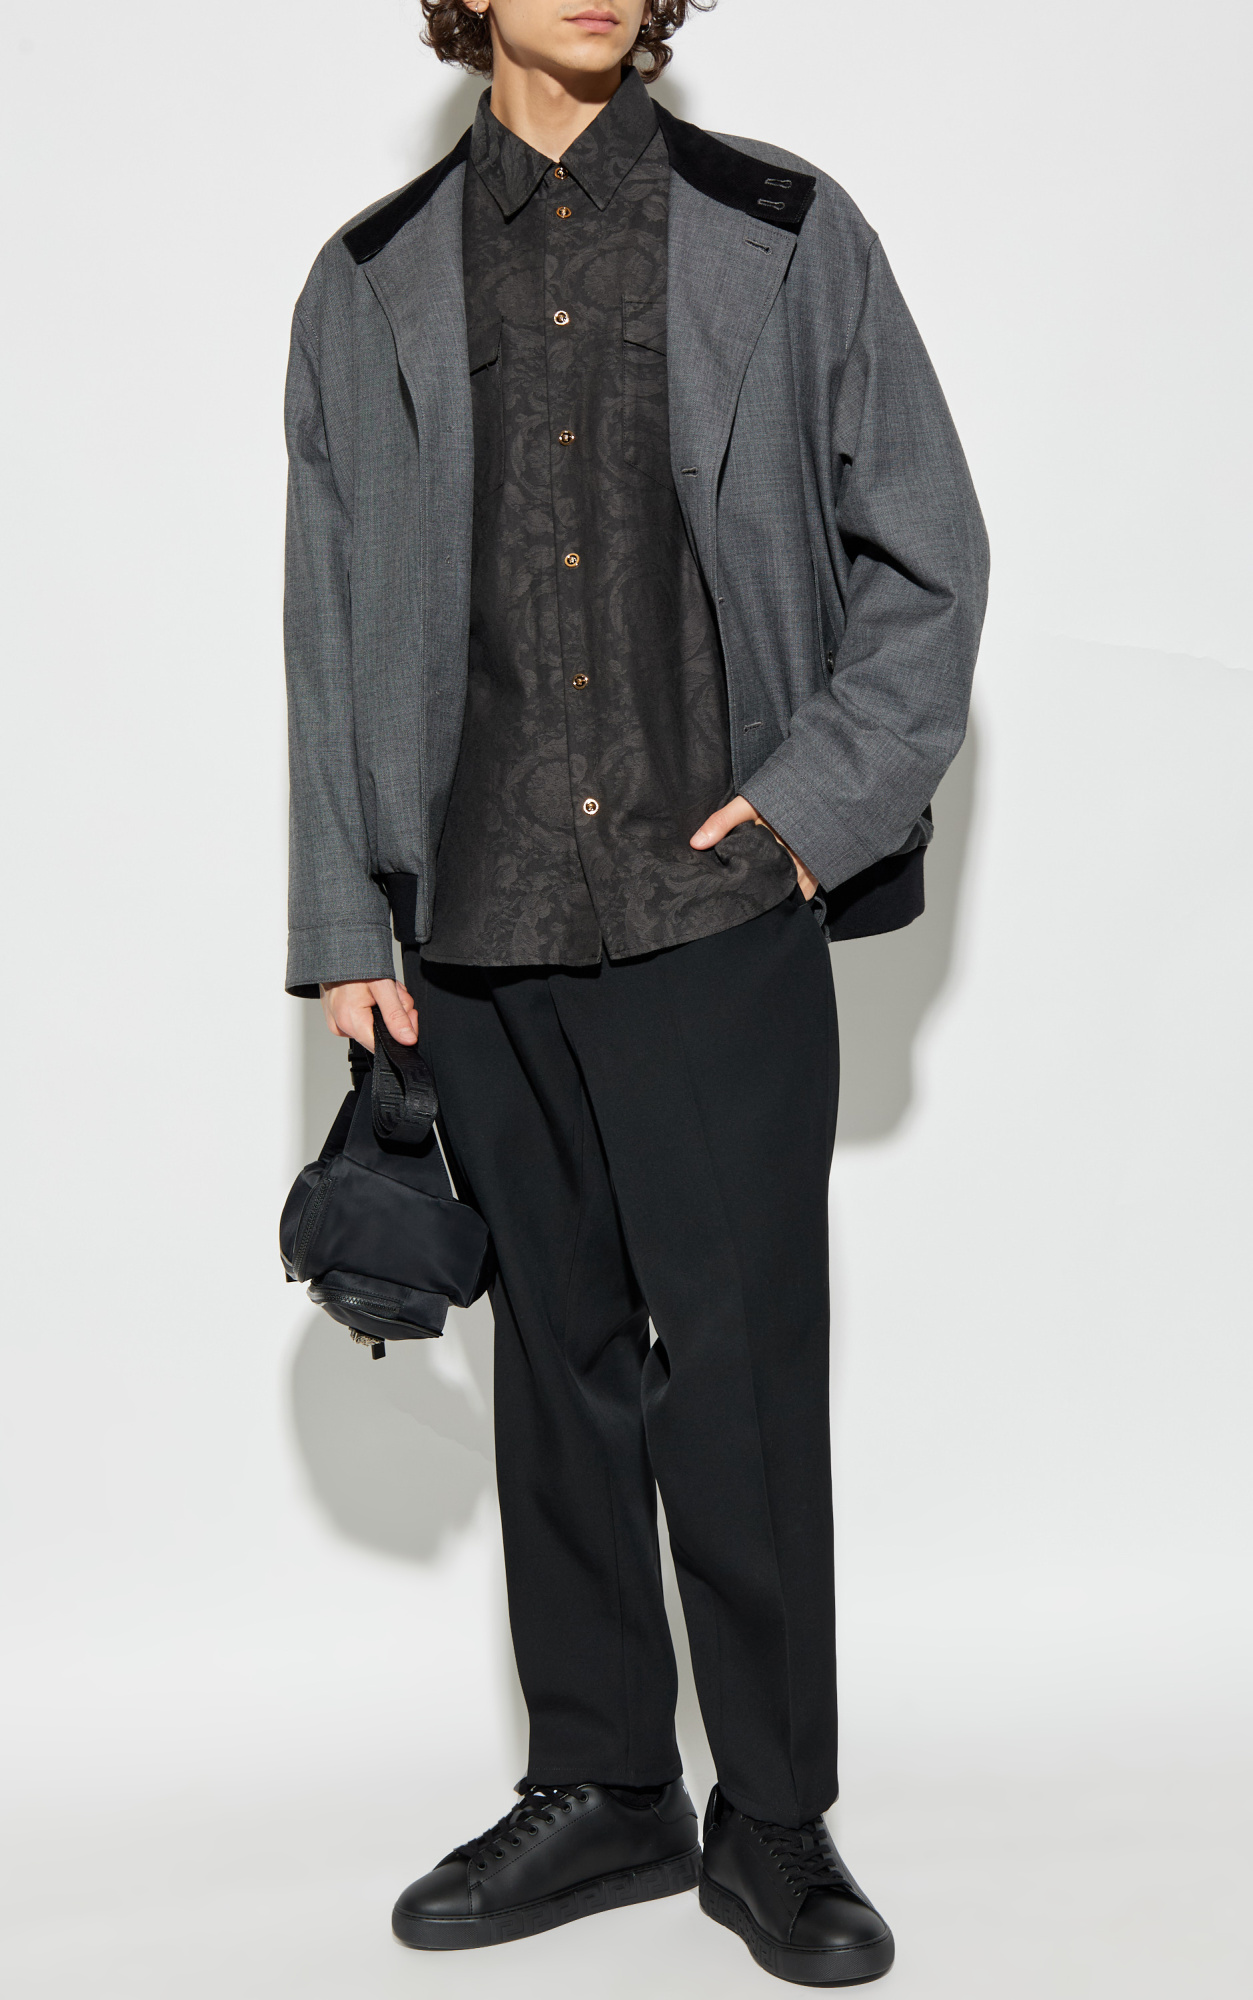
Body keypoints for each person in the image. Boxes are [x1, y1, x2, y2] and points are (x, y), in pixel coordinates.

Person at [283, 0, 987, 1982]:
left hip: (709, 903)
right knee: (553, 1368)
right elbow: (325, 616)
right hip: (480, 915)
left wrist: (810, 806)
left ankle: (774, 1821)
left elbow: (928, 554)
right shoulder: (367, 279)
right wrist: (343, 918)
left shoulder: (783, 230)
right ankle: (604, 1784)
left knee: (739, 1372)